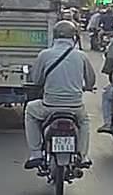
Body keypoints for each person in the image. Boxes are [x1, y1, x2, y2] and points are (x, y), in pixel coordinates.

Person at [24, 20, 96, 169]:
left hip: (49, 106)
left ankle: (36, 153)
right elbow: (90, 80)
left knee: (30, 110)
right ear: (74, 37)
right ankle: (83, 156)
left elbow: (36, 80)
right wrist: (87, 87)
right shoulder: (81, 56)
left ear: (54, 36)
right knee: (84, 121)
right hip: (75, 107)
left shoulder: (45, 55)